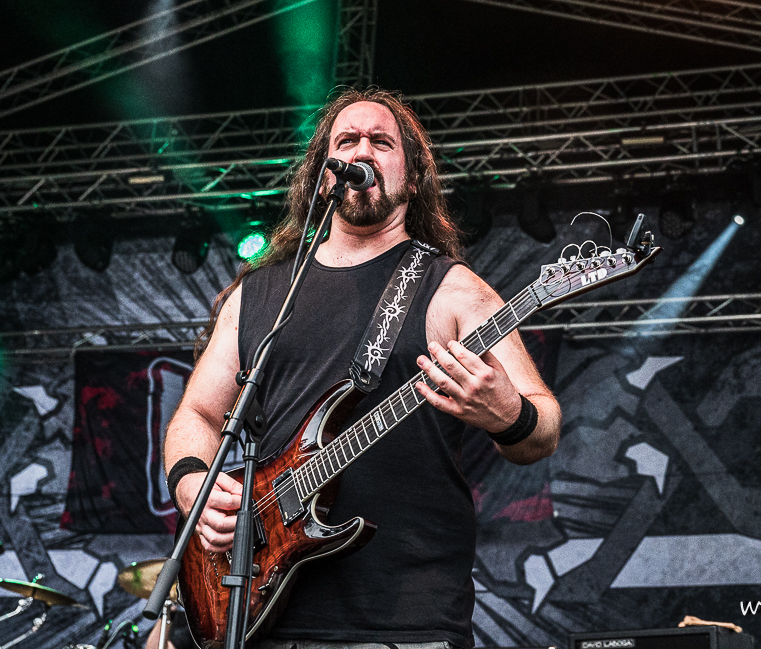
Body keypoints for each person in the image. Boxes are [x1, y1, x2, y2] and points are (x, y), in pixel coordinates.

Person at [162, 88, 561, 649]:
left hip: (406, 617)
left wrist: (508, 414)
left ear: (412, 178)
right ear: (323, 173)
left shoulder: (452, 289)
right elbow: (198, 415)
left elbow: (544, 426)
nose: (362, 151)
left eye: (381, 142)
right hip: (262, 612)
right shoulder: (259, 293)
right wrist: (193, 488)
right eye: (346, 140)